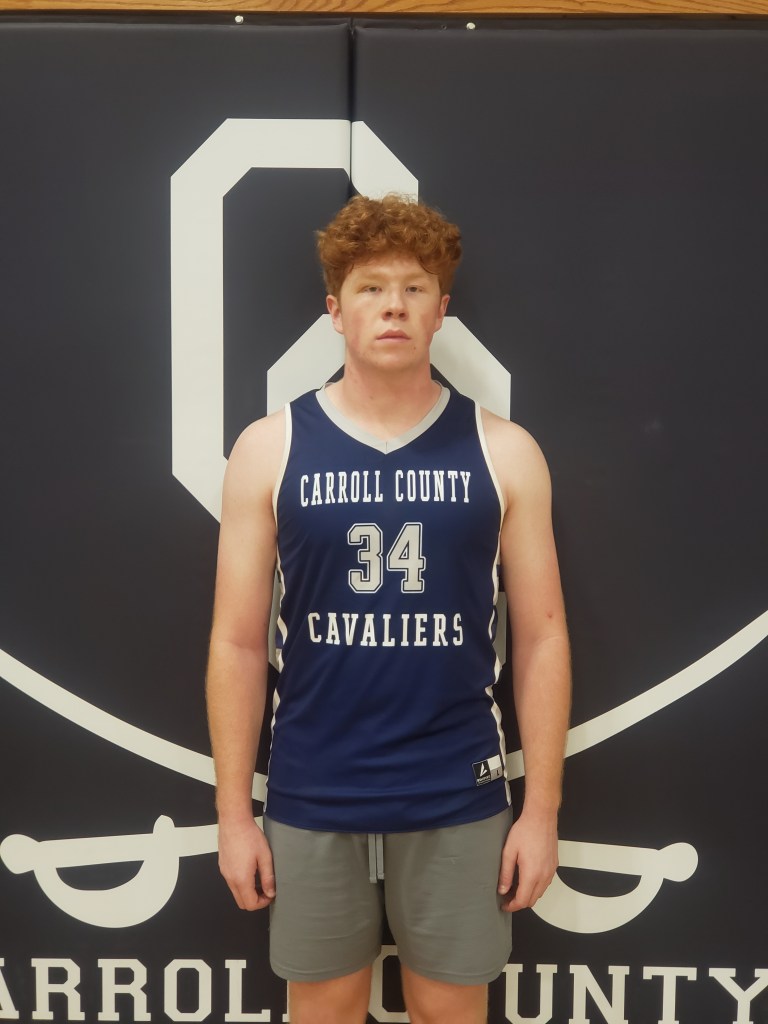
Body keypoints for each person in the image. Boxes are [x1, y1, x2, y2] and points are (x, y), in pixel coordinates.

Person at [206, 194, 571, 1024]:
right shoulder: (270, 447)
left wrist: (542, 812)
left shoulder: (504, 451)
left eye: (414, 288)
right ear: (335, 311)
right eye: (371, 288)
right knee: (323, 1010)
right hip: (312, 788)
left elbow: (543, 638)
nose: (394, 306)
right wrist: (233, 815)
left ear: (442, 310)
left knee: (450, 1010)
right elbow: (236, 643)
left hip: (456, 787)